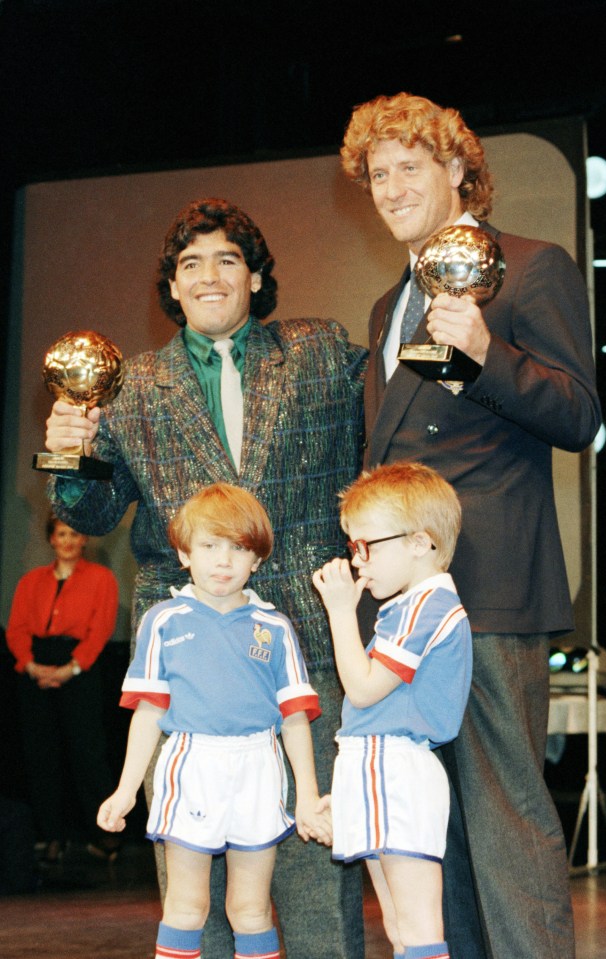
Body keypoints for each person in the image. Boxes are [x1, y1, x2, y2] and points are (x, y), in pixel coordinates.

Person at [44, 198, 366, 958]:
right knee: (194, 896)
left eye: (226, 259)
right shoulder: (131, 383)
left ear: (254, 276)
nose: (209, 276)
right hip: (185, 661)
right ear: (173, 286)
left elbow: (384, 435)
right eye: (190, 264)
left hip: (305, 644)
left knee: (316, 871)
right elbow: (91, 513)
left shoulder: (318, 348)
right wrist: (66, 452)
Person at [340, 93, 602, 959]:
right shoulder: (387, 307)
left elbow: (577, 415)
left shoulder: (530, 268)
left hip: (486, 592)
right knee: (428, 830)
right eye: (376, 174)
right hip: (401, 604)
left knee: (505, 821)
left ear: (458, 168)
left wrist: (489, 355)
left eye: (408, 166)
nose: (389, 187)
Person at [98, 483, 330, 959]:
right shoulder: (162, 621)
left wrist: (306, 794)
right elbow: (148, 713)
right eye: (209, 546)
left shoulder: (277, 628)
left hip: (258, 767)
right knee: (186, 906)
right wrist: (125, 790)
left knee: (250, 909)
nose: (223, 561)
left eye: (238, 548)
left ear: (257, 560)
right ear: (185, 553)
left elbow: (293, 720)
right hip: (192, 763)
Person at [313, 462, 472, 959]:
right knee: (402, 927)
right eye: (352, 546)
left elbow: (361, 691)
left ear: (420, 542)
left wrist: (340, 611)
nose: (357, 561)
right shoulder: (412, 604)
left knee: (418, 926)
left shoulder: (425, 605)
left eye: (367, 545)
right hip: (375, 762)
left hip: (396, 766)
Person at [5, 514, 119, 863]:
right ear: (51, 539)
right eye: (61, 533)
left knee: (88, 755)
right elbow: (17, 628)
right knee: (43, 757)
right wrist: (30, 664)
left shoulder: (102, 578)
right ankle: (53, 837)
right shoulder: (31, 580)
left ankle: (105, 837)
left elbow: (100, 630)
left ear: (85, 539)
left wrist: (70, 669)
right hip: (36, 667)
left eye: (75, 533)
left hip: (80, 668)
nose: (68, 540)